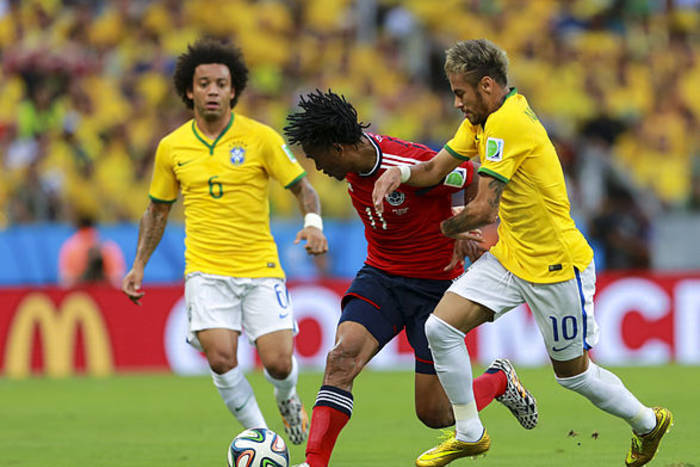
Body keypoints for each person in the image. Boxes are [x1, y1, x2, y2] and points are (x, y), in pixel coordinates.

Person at [372, 39, 672, 467]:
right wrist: (398, 173)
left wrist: (439, 229)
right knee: (441, 328)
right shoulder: (482, 120)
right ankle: (470, 434)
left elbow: (483, 209)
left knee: (575, 377)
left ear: (487, 86)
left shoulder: (508, 123)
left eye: (460, 93)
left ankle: (648, 423)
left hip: (554, 265)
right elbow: (436, 169)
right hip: (512, 255)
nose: (456, 103)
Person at [283, 89, 538, 467]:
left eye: (318, 157)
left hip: (435, 288)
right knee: (341, 359)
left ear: (337, 148)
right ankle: (314, 463)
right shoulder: (352, 166)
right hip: (381, 277)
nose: (317, 167)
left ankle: (498, 379)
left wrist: (459, 221)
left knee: (435, 414)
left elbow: (471, 175)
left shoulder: (407, 163)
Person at [121, 39, 328, 445]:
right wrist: (138, 265)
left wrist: (314, 224)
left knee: (279, 363)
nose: (212, 91)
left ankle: (287, 397)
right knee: (220, 357)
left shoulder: (260, 137)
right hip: (206, 270)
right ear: (189, 91)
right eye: (204, 84)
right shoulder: (172, 147)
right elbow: (156, 211)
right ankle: (262, 437)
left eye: (221, 84)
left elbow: (303, 188)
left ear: (234, 91)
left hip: (260, 267)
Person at [59, 212, 126, 288]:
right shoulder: (108, 246)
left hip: (81, 291)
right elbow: (117, 278)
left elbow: (66, 279)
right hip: (102, 290)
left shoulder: (70, 247)